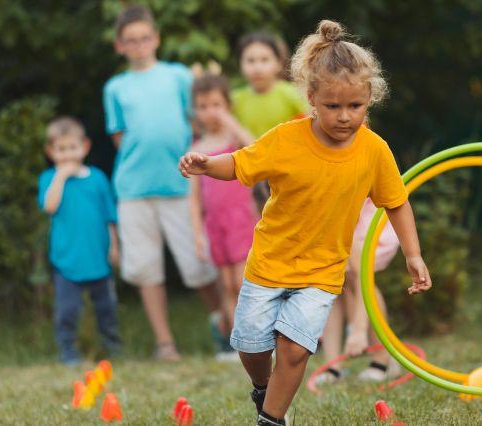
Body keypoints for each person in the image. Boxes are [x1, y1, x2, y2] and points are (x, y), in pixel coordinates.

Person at [179, 20, 433, 426]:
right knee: (251, 345)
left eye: (356, 106)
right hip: (269, 261)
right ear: (311, 98)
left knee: (296, 349)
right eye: (333, 106)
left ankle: (272, 419)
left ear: (370, 98)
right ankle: (264, 388)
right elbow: (242, 165)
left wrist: (414, 254)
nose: (345, 117)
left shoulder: (374, 150)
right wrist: (208, 164)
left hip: (322, 269)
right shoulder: (286, 139)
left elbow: (397, 202)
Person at [103, 4, 219, 361]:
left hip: (181, 185)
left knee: (198, 264)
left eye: (144, 38)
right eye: (130, 41)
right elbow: (119, 137)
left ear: (156, 38)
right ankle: (165, 343)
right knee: (145, 268)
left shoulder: (178, 76)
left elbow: (196, 124)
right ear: (120, 46)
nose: (138, 45)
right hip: (134, 190)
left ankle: (226, 330)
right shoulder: (115, 87)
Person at [38, 117, 122, 365]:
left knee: (106, 308)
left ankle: (112, 346)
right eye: (61, 150)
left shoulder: (97, 178)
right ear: (50, 152)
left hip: (98, 256)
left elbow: (110, 217)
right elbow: (50, 207)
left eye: (72, 148)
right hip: (67, 260)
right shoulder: (49, 179)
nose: (67, 155)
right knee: (67, 311)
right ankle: (68, 351)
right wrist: (61, 177)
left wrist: (115, 247)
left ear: (84, 147)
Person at [188, 72, 257, 361]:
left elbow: (256, 149)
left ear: (227, 104)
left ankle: (256, 340)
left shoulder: (234, 139)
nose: (210, 112)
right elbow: (194, 200)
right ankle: (234, 343)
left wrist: (232, 122)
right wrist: (197, 235)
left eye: (216, 104)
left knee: (244, 283)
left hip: (241, 220)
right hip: (215, 225)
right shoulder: (196, 148)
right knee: (226, 285)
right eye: (203, 106)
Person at [316, 199, 400, 384]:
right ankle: (333, 366)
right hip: (334, 216)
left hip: (364, 220)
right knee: (332, 283)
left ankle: (381, 360)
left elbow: (364, 275)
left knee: (355, 275)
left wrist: (358, 330)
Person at [232, 31, 309, 210]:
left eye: (264, 60)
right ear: (241, 65)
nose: (257, 67)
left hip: (288, 172)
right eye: (250, 61)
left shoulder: (290, 94)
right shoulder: (236, 99)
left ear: (278, 63)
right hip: (253, 177)